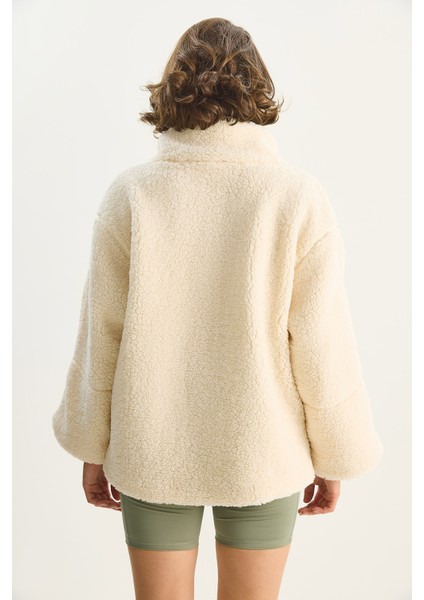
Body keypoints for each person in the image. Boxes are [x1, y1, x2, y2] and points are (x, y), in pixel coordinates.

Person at [52, 17, 384, 600]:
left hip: (151, 444)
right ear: (257, 88)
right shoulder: (296, 196)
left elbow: (101, 333)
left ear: (173, 88)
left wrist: (92, 444)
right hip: (264, 448)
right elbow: (321, 340)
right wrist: (335, 452)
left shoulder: (132, 194)